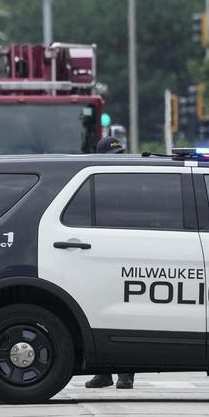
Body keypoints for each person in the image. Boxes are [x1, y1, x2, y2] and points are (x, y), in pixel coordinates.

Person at [85, 135, 135, 390]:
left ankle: (126, 374)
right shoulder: (96, 182)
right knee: (101, 316)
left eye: (121, 154)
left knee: (124, 315)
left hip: (125, 256)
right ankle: (103, 373)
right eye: (114, 155)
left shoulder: (129, 184)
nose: (120, 160)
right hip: (101, 257)